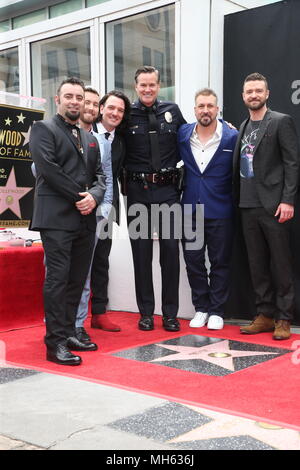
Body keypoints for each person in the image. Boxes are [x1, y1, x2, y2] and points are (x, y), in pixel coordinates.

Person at [29, 77, 106, 365]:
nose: (75, 101)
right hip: (57, 220)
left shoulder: (89, 138)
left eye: (79, 97)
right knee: (58, 281)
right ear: (57, 98)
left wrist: (95, 197)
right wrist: (81, 197)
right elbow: (48, 170)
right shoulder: (42, 129)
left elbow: (101, 176)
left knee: (76, 281)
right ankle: (55, 343)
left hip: (85, 221)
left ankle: (71, 332)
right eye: (69, 96)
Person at [233, 72, 299, 340]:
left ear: (267, 93)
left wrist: (287, 200)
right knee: (257, 264)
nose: (254, 95)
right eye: (249, 91)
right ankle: (265, 314)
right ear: (243, 96)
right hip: (247, 205)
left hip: (274, 205)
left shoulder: (281, 122)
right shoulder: (242, 126)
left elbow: (292, 163)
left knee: (281, 264)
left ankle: (284, 318)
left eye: (258, 90)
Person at [123, 65, 186, 332]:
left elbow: (190, 140)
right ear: (135, 87)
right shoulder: (127, 114)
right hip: (138, 192)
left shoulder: (172, 111)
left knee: (171, 253)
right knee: (141, 255)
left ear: (159, 86)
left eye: (152, 85)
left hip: (168, 191)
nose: (147, 89)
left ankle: (170, 314)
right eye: (142, 85)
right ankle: (146, 313)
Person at [178, 88, 238, 330]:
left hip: (221, 211)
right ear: (195, 110)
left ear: (217, 109)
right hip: (191, 212)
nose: (205, 110)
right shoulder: (182, 134)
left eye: (210, 106)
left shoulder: (232, 137)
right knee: (193, 262)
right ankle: (201, 308)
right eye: (201, 106)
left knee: (220, 262)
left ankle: (216, 310)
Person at [75, 86, 114, 343]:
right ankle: (56, 324)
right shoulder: (55, 132)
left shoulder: (101, 142)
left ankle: (78, 325)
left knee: (85, 272)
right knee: (58, 273)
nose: (89, 108)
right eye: (84, 102)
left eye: (93, 104)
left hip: (93, 214)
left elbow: (107, 178)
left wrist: (104, 209)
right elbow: (38, 169)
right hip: (61, 215)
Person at [89, 91, 130, 332]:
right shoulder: (84, 130)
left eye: (121, 110)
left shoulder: (122, 141)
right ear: (101, 108)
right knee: (79, 262)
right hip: (82, 204)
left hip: (108, 206)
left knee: (102, 260)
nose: (115, 113)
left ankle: (99, 313)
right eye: (111, 108)